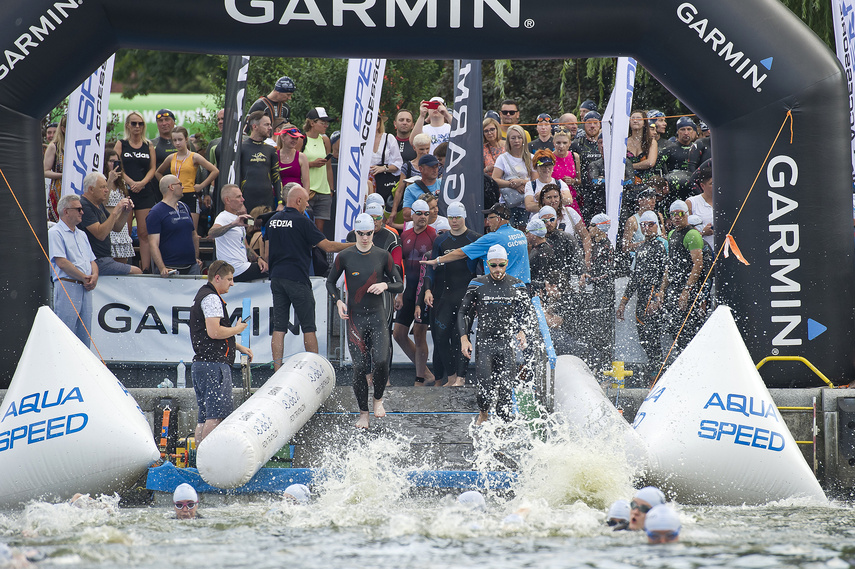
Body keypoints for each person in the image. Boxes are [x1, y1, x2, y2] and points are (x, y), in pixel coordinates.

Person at [328, 213, 403, 429]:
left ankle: (378, 399)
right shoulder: (345, 255)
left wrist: (385, 286)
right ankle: (363, 414)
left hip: (377, 316)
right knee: (360, 367)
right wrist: (339, 302)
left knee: (380, 361)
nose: (364, 237)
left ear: (373, 232)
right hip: (355, 319)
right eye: (360, 234)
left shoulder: (382, 256)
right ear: (355, 232)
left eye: (368, 233)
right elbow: (331, 283)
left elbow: (400, 284)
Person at [265, 185, 352, 369]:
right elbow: (327, 247)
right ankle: (315, 369)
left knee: (278, 327)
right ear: (298, 201)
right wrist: (354, 246)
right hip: (297, 278)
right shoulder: (302, 221)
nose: (307, 205)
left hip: (277, 278)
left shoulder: (272, 220)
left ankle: (277, 369)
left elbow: (266, 253)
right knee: (308, 326)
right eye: (305, 201)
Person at [458, 245, 533, 424]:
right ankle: (483, 415)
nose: (497, 270)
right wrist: (464, 338)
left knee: (506, 395)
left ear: (506, 263)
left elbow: (526, 312)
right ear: (487, 264)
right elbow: (462, 312)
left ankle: (502, 433)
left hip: (506, 344)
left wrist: (522, 331)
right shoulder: (477, 284)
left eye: (501, 265)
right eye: (493, 265)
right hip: (485, 344)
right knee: (484, 391)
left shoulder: (517, 284)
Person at [190, 260, 253, 443]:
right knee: (216, 417)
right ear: (217, 278)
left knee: (204, 417)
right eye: (229, 279)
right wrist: (238, 329)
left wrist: (238, 346)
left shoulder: (202, 294)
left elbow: (208, 334)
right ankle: (208, 462)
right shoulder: (212, 298)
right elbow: (215, 332)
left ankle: (198, 461)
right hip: (214, 365)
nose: (232, 283)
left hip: (201, 364)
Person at [422, 201, 481, 387]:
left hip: (467, 296)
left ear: (464, 218)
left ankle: (460, 378)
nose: (454, 221)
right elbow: (431, 268)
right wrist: (428, 289)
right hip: (446, 296)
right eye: (451, 218)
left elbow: (483, 270)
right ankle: (452, 375)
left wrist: (480, 298)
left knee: (460, 337)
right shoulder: (441, 240)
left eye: (457, 217)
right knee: (439, 336)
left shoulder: (474, 238)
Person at [617, 210, 668, 384]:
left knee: (653, 337)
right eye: (643, 225)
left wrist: (658, 297)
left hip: (653, 298)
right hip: (642, 297)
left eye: (650, 224)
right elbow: (635, 278)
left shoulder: (661, 245)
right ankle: (655, 371)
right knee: (644, 338)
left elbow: (666, 273)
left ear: (657, 225)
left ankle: (659, 374)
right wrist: (623, 302)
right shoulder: (642, 247)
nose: (646, 228)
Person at [423, 203, 531, 286]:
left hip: (505, 287)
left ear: (498, 219)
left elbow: (461, 253)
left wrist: (437, 260)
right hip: (524, 285)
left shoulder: (492, 238)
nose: (487, 222)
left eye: (489, 218)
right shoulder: (520, 234)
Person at [393, 199, 437, 386]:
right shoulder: (405, 235)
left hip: (424, 291)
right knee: (399, 334)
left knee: (419, 333)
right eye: (419, 213)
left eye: (426, 214)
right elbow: (399, 266)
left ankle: (419, 378)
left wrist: (429, 291)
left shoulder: (433, 235)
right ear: (411, 214)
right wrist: (400, 292)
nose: (423, 217)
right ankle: (426, 373)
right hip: (408, 290)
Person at [657, 199, 706, 353]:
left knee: (688, 331)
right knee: (675, 331)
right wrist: (662, 289)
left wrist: (686, 290)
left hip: (687, 290)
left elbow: (698, 265)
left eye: (680, 214)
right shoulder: (672, 233)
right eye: (673, 214)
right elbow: (670, 265)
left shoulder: (692, 234)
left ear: (687, 214)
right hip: (674, 288)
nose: (677, 217)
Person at [48, 194, 98, 346]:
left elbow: (92, 260)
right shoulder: (55, 233)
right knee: (65, 331)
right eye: (78, 209)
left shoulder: (82, 234)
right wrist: (85, 277)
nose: (82, 212)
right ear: (66, 211)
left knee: (85, 334)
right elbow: (61, 262)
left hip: (84, 286)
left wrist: (94, 276)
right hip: (67, 284)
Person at [114, 111, 159, 272]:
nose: (137, 127)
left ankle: (145, 268)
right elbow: (116, 165)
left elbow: (153, 168)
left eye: (140, 123)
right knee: (124, 232)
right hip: (126, 191)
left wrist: (142, 183)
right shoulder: (121, 144)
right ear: (127, 125)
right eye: (134, 123)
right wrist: (130, 182)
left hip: (145, 191)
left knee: (144, 232)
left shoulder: (149, 145)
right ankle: (124, 267)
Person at [155, 126, 219, 229]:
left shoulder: (194, 157)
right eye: (174, 140)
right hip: (173, 196)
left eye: (180, 139)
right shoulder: (171, 157)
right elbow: (158, 172)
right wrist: (167, 186)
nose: (177, 143)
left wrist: (201, 186)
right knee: (174, 228)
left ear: (186, 139)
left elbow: (215, 171)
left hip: (190, 195)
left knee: (192, 230)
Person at [78, 172, 141, 275]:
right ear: (91, 189)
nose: (107, 190)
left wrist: (126, 211)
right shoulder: (84, 206)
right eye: (102, 187)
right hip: (95, 260)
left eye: (106, 187)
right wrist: (116, 210)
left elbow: (116, 227)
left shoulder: (98, 204)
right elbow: (100, 234)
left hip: (105, 258)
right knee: (137, 272)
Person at [209, 184, 268, 282]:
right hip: (234, 269)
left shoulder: (238, 218)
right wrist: (233, 224)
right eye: (238, 197)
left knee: (266, 267)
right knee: (274, 270)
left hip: (242, 266)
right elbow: (211, 233)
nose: (243, 199)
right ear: (227, 200)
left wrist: (259, 259)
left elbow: (246, 247)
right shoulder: (223, 217)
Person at [147, 175, 202, 276]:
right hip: (170, 267)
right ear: (171, 187)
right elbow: (153, 244)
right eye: (180, 184)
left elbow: (194, 234)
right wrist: (162, 267)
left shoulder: (184, 207)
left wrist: (196, 258)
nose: (183, 187)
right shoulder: (156, 212)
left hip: (191, 266)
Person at [240, 111, 282, 214]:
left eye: (270, 125)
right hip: (247, 200)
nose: (270, 128)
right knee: (249, 227)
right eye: (266, 124)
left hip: (267, 200)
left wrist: (280, 202)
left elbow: (276, 177)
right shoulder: (241, 148)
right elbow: (236, 176)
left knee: (265, 228)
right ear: (255, 126)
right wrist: (239, 204)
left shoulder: (271, 150)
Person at [492, 124, 534, 228]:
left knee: (524, 231)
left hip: (525, 203)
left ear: (524, 139)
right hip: (507, 203)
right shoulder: (502, 158)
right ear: (508, 140)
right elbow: (494, 179)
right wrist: (511, 184)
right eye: (513, 138)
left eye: (519, 137)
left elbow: (536, 181)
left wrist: (521, 182)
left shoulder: (531, 158)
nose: (516, 141)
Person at [303, 107, 335, 231]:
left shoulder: (325, 140)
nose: (326, 125)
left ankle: (318, 251)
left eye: (326, 122)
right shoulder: (301, 139)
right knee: (305, 225)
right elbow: (296, 163)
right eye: (323, 122)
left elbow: (328, 167)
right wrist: (311, 164)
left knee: (319, 230)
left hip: (324, 191)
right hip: (308, 190)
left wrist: (331, 189)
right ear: (312, 123)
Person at [103, 150, 135, 265]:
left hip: (121, 224)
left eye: (116, 161)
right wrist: (110, 180)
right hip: (107, 221)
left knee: (122, 262)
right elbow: (102, 202)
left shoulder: (121, 181)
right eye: (111, 161)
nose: (114, 164)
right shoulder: (101, 179)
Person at [369, 115, 403, 209]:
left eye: (377, 120)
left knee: (382, 209)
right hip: (365, 182)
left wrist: (383, 168)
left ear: (380, 123)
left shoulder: (388, 138)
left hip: (384, 181)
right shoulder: (360, 140)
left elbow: (398, 163)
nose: (375, 123)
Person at [400, 154, 442, 222]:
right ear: (421, 169)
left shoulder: (444, 184)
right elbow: (406, 215)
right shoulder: (411, 189)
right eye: (431, 167)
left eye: (436, 167)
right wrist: (427, 206)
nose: (435, 170)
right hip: (423, 227)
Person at [551, 128, 582, 212]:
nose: (561, 146)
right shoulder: (549, 157)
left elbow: (579, 180)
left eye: (564, 143)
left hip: (571, 199)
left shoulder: (574, 156)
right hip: (553, 200)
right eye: (558, 143)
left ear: (569, 143)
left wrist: (573, 181)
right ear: (554, 143)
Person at [43, 115, 66, 222]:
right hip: (58, 189)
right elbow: (45, 171)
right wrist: (63, 175)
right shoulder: (54, 146)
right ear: (63, 129)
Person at [686, 159, 714, 249]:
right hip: (703, 251)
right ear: (702, 186)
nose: (716, 186)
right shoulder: (691, 203)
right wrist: (702, 232)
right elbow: (685, 231)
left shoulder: (724, 201)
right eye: (712, 183)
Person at [627, 110, 659, 184]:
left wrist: (630, 166)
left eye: (638, 118)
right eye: (632, 118)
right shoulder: (624, 142)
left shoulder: (652, 142)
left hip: (646, 182)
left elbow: (650, 163)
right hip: (627, 180)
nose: (635, 121)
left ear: (644, 123)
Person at [276, 126, 310, 190]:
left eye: (296, 138)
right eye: (292, 138)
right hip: (277, 196)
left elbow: (306, 184)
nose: (294, 141)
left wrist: (305, 198)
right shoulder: (274, 156)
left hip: (297, 197)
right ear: (283, 137)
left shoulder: (302, 157)